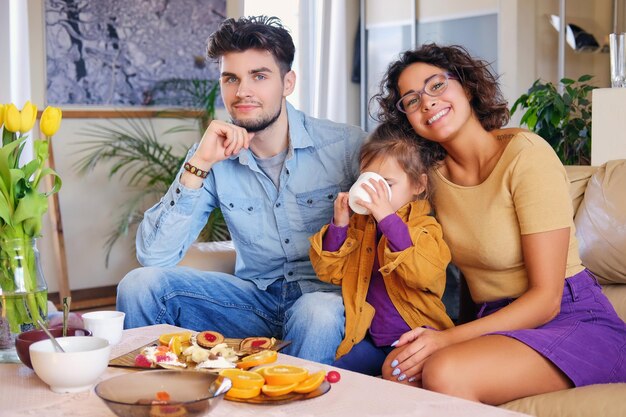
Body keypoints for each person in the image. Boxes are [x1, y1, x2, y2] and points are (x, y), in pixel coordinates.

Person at [373, 43, 626, 404]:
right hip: (492, 318)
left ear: (467, 87)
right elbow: (463, 280)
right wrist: (445, 331)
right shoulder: (430, 179)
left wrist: (446, 341)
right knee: (397, 368)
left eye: (437, 85)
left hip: (571, 318)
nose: (427, 102)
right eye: (411, 100)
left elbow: (546, 301)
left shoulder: (526, 156)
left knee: (445, 370)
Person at [116, 16, 367, 365]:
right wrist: (201, 161)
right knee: (138, 285)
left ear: (288, 82)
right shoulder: (210, 155)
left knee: (317, 311)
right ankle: (157, 399)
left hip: (324, 300)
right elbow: (155, 257)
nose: (242, 91)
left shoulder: (346, 146)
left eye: (259, 76)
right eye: (231, 78)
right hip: (253, 302)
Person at [309, 122, 454, 377]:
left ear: (418, 186)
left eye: (386, 185)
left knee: (398, 372)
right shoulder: (361, 226)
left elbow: (425, 274)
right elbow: (328, 272)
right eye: (367, 181)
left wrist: (388, 218)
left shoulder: (425, 227)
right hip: (372, 341)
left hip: (416, 335)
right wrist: (339, 226)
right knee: (330, 375)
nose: (375, 195)